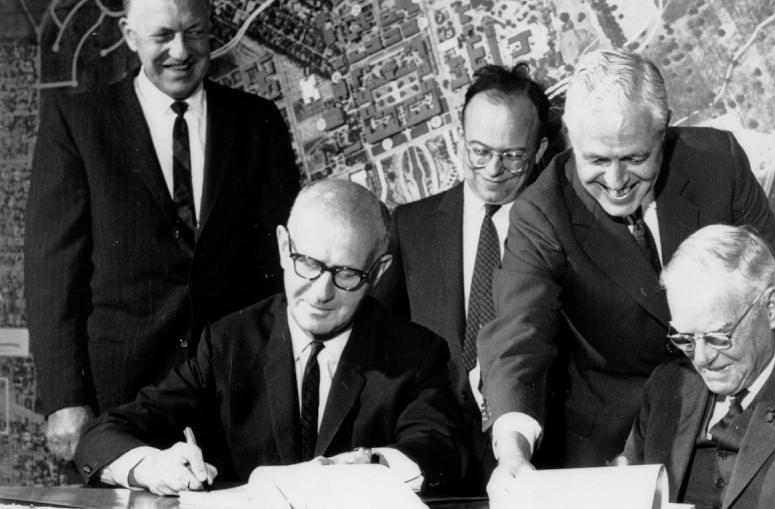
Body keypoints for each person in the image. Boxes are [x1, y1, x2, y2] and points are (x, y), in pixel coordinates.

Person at [478, 48, 775, 499]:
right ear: (571, 138)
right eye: (595, 160)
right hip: (617, 437)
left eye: (633, 158)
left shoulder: (717, 162)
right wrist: (512, 450)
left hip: (743, 409)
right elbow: (517, 336)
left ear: (663, 129)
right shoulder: (542, 211)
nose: (615, 181)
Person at [24, 0, 299, 461]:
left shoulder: (257, 120)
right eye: (162, 36)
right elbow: (51, 275)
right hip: (119, 403)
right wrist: (64, 398)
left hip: (237, 399)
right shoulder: (78, 124)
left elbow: (279, 266)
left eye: (195, 33)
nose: (181, 50)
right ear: (130, 35)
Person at [73, 180, 467, 496]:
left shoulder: (415, 354)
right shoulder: (229, 342)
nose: (320, 292)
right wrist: (152, 467)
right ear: (283, 247)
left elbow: (442, 452)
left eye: (346, 274)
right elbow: (101, 435)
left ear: (378, 272)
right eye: (308, 263)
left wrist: (373, 464)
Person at [374, 63, 550, 489]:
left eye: (512, 156)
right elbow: (376, 335)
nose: (492, 169)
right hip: (432, 455)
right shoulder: (410, 226)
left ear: (540, 150)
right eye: (479, 151)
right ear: (460, 141)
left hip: (530, 456)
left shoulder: (554, 229)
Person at [619, 225, 775, 509]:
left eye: (719, 337)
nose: (701, 359)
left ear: (772, 308)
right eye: (685, 338)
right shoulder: (667, 387)